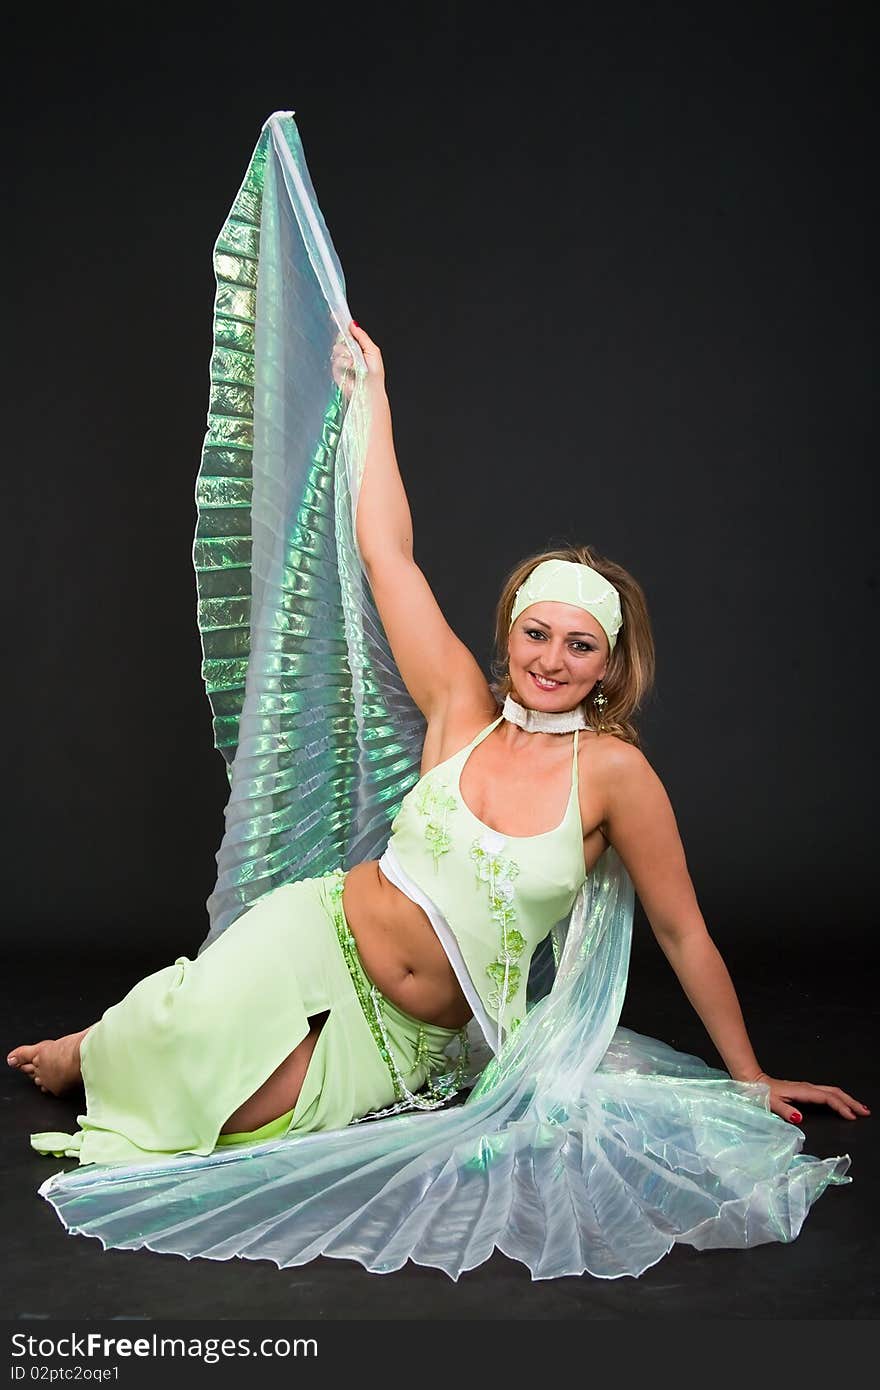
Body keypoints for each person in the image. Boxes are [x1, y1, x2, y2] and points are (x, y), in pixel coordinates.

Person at [5, 113, 867, 1281]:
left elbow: (681, 930)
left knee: (248, 1125)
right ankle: (90, 1046)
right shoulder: (460, 703)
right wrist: (376, 398)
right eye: (535, 632)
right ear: (510, 634)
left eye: (577, 645)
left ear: (607, 666)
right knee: (175, 1049)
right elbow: (389, 557)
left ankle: (114, 1043)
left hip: (411, 1027)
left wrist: (752, 1075)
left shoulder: (613, 776)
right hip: (315, 931)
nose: (551, 659)